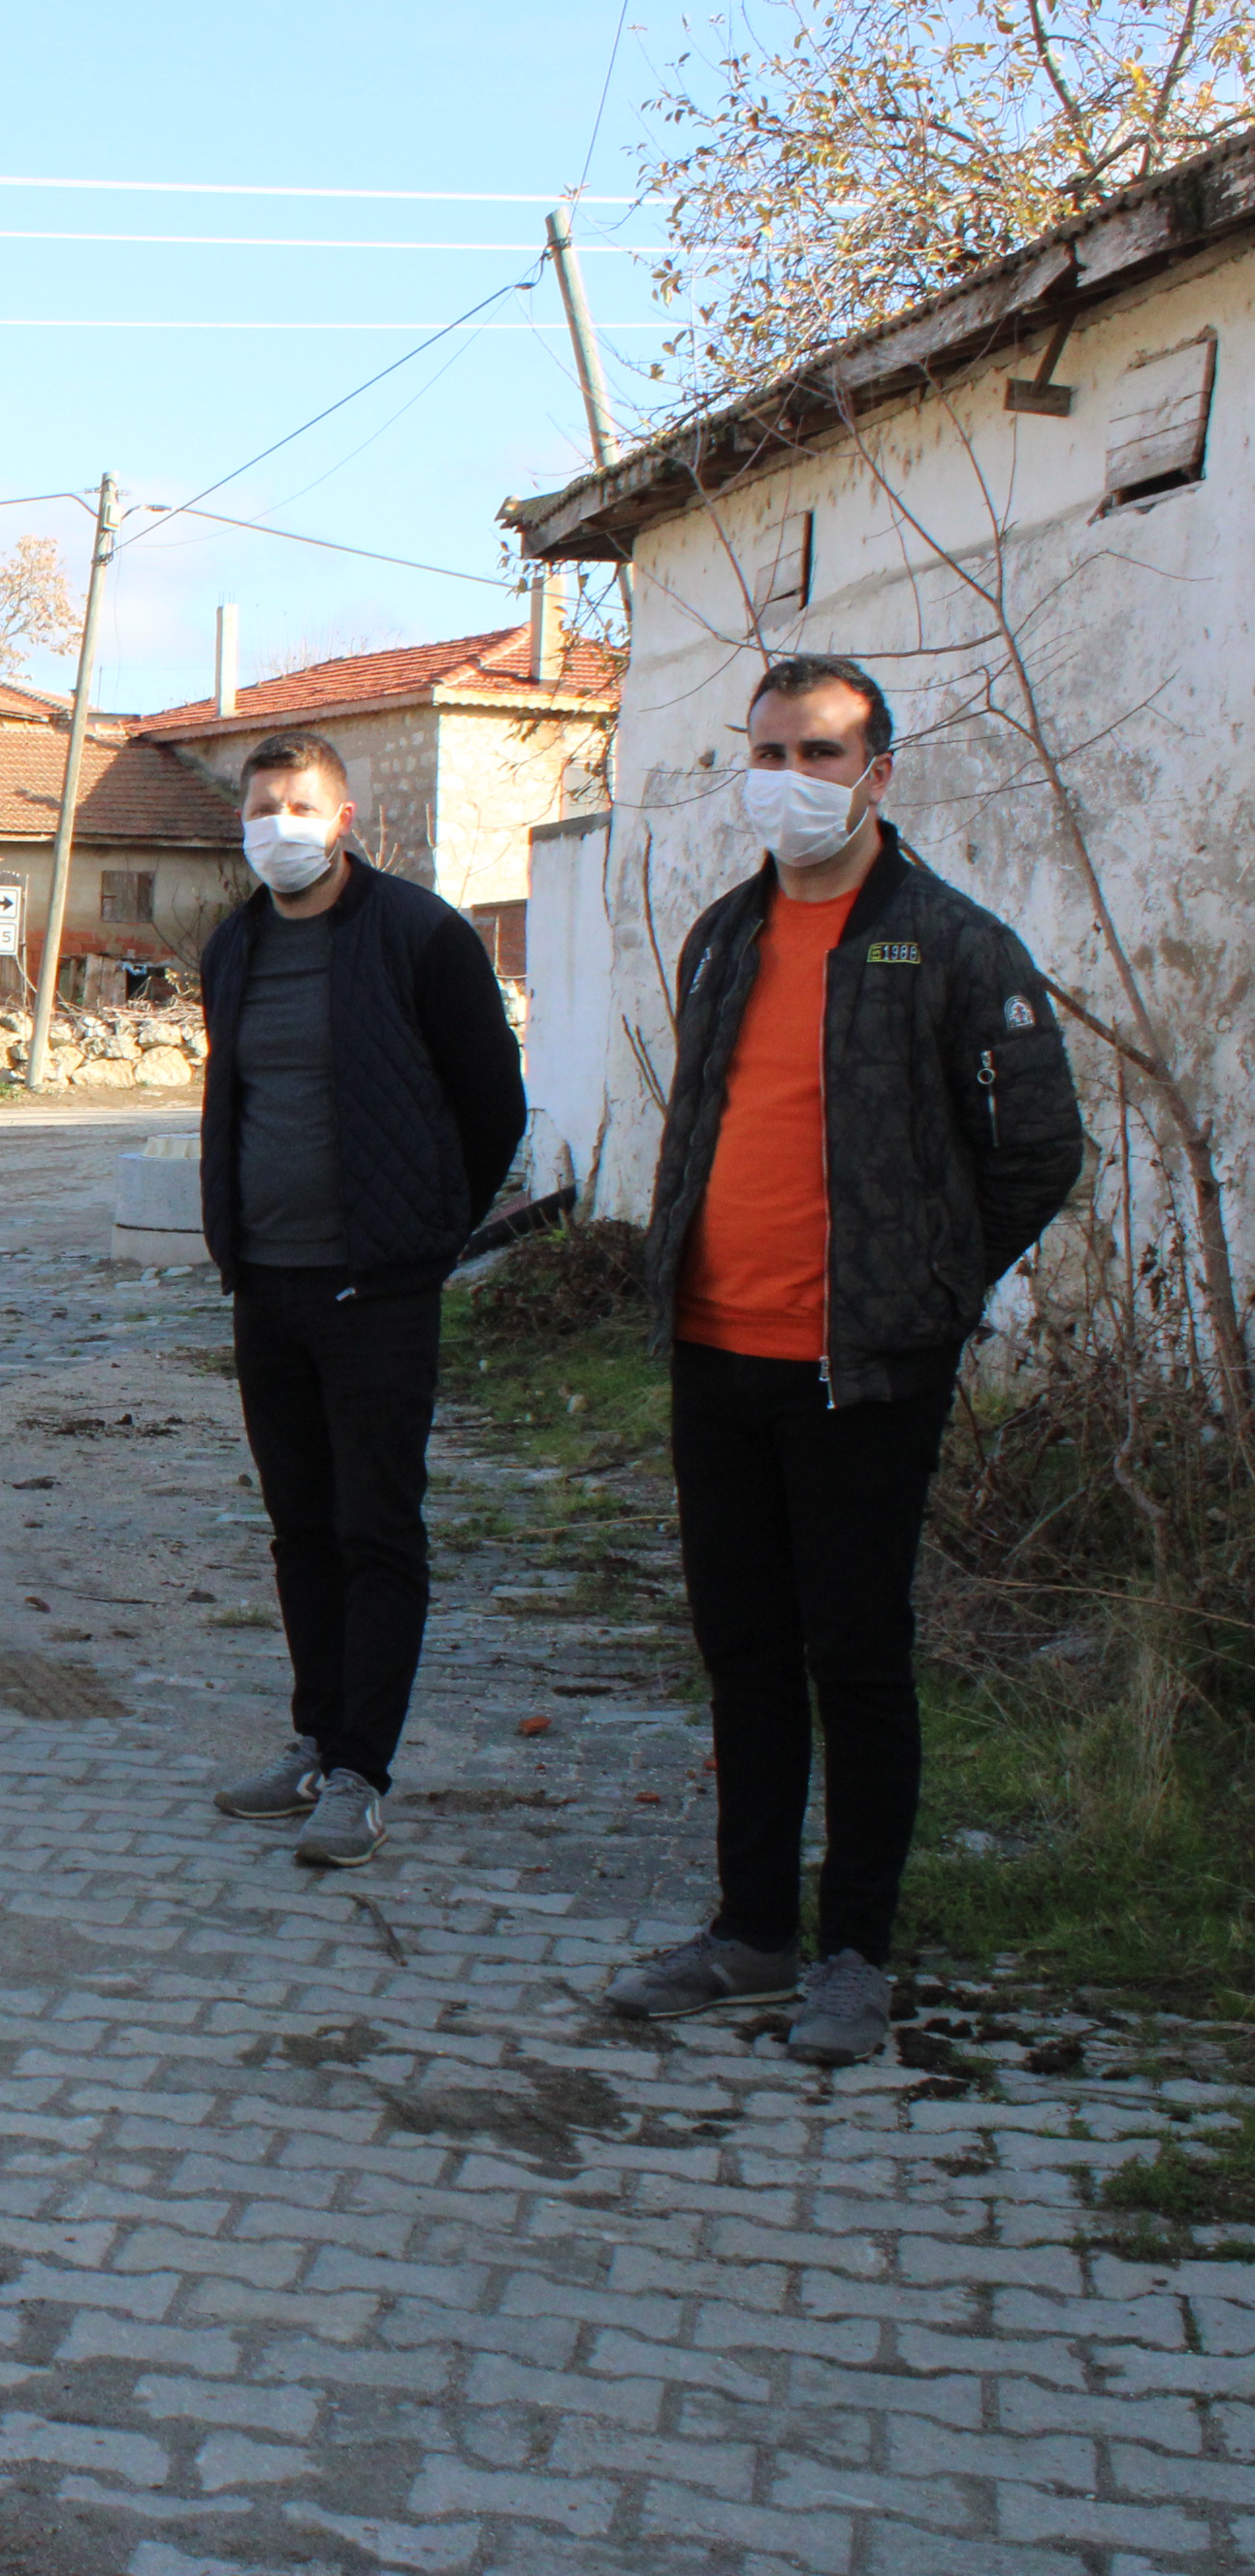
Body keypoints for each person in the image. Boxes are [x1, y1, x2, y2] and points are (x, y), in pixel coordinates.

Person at [606, 654, 1079, 2066]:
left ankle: (855, 1954)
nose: (791, 780)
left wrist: (926, 1289)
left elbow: (1038, 1151)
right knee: (743, 1653)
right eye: (770, 752)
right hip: (715, 1351)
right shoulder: (724, 936)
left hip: (865, 1370)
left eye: (821, 755)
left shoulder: (951, 943)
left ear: (879, 774)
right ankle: (753, 1933)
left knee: (855, 1658)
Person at [196, 728, 525, 1871]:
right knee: (300, 1529)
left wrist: (424, 1237)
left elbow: (493, 1107)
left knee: (376, 1528)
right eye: (260, 806)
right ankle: (314, 1736)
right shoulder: (233, 945)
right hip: (269, 1284)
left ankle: (360, 1774)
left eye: (299, 805)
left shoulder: (418, 936)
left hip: (377, 1289)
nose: (276, 824)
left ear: (344, 821)